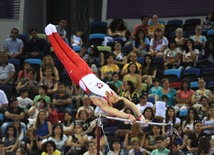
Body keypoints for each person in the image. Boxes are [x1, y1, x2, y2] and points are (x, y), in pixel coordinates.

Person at [45, 23, 147, 124]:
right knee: (70, 51)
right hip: (87, 71)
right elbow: (132, 105)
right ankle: (55, 34)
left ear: (111, 104)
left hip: (78, 77)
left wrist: (128, 116)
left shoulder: (101, 103)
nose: (115, 96)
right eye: (116, 97)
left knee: (63, 56)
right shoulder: (115, 96)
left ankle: (50, 36)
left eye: (114, 99)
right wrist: (141, 117)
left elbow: (114, 112)